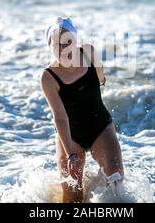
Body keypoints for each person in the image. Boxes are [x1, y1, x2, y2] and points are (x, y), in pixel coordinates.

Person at [40, 16, 124, 203]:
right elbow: (60, 117)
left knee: (116, 184)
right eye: (57, 45)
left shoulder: (88, 53)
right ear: (50, 46)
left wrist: (100, 79)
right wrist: (70, 154)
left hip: (100, 127)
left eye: (68, 42)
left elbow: (100, 76)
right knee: (72, 197)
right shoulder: (48, 77)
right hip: (70, 136)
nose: (64, 49)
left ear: (75, 40)